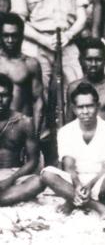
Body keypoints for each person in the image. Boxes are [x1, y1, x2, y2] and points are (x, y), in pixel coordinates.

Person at [40, 83, 105, 219]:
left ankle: (72, 201)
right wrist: (78, 184)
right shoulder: (65, 131)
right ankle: (95, 205)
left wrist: (89, 186)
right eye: (80, 107)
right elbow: (69, 166)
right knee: (47, 174)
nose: (85, 111)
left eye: (90, 106)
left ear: (98, 106)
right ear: (73, 109)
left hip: (100, 181)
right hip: (74, 180)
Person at [0, 74, 43, 206]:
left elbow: (33, 160)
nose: (0, 100)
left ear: (11, 97)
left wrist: (10, 179)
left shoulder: (24, 122)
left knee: (37, 181)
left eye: (4, 95)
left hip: (13, 174)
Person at [0, 13, 44, 134]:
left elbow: (38, 101)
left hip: (20, 128)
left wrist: (34, 132)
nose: (10, 40)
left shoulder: (31, 64)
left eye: (14, 36)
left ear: (21, 36)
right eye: (6, 35)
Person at [66, 38, 105, 129]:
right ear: (81, 61)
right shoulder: (73, 87)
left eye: (98, 60)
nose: (93, 64)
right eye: (89, 59)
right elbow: (69, 122)